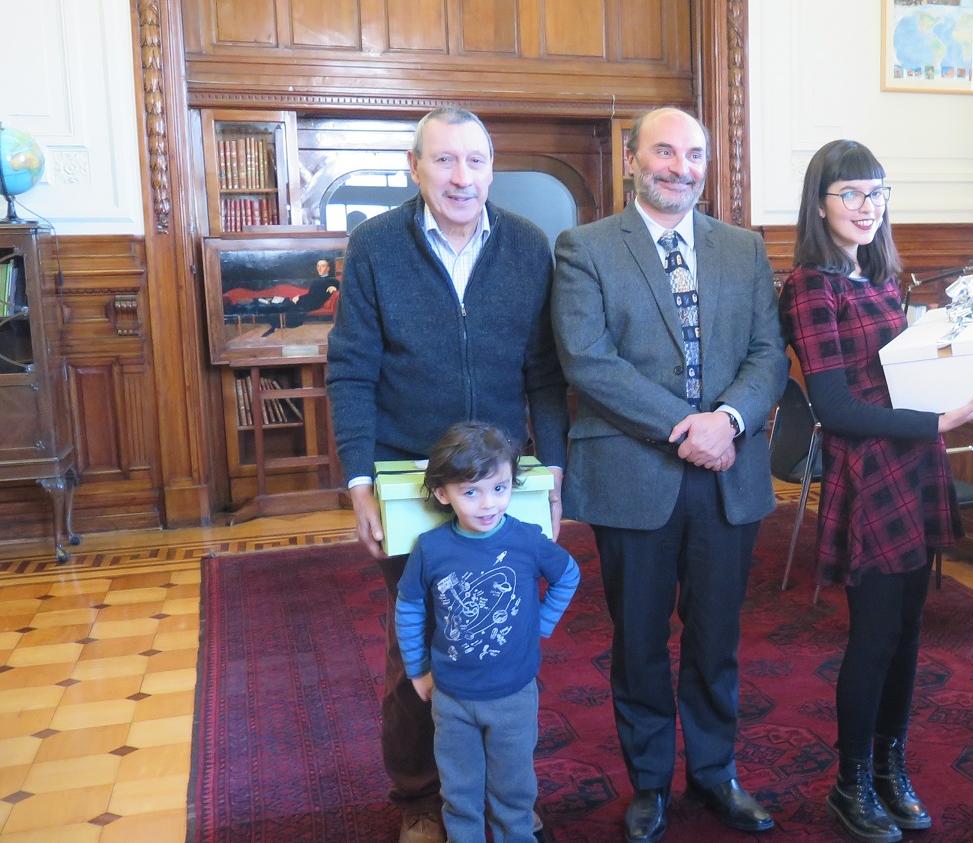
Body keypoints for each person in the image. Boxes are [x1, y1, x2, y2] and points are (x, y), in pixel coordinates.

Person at [327, 106, 568, 843]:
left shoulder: (528, 247)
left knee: (497, 638)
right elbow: (351, 369)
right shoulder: (373, 246)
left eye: (476, 161)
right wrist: (359, 482)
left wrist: (552, 471)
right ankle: (421, 799)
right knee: (419, 649)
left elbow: (545, 372)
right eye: (444, 161)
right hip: (410, 483)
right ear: (415, 167)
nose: (462, 177)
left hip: (504, 483)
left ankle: (500, 794)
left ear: (492, 169)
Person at [549, 106, 787, 843]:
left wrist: (731, 422)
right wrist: (689, 428)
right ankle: (649, 782)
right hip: (634, 472)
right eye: (663, 151)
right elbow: (588, 360)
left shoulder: (742, 249)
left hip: (728, 473)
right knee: (641, 640)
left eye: (693, 154)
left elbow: (767, 355)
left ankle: (716, 773)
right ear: (631, 158)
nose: (679, 166)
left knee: (717, 637)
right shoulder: (584, 247)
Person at [777, 139, 973, 843]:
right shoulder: (812, 286)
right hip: (869, 474)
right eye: (851, 195)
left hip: (912, 465)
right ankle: (851, 782)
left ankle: (891, 769)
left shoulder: (878, 277)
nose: (868, 208)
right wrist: (937, 418)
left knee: (907, 634)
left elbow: (903, 374)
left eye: (877, 193)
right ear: (819, 204)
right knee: (872, 638)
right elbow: (835, 407)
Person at [395, 422, 581, 843]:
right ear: (443, 494)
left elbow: (568, 575)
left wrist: (541, 624)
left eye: (498, 488)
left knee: (513, 788)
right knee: (458, 789)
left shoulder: (526, 540)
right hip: (453, 696)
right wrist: (416, 669)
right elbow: (408, 608)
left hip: (514, 695)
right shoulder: (430, 547)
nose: (487, 504)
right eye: (470, 491)